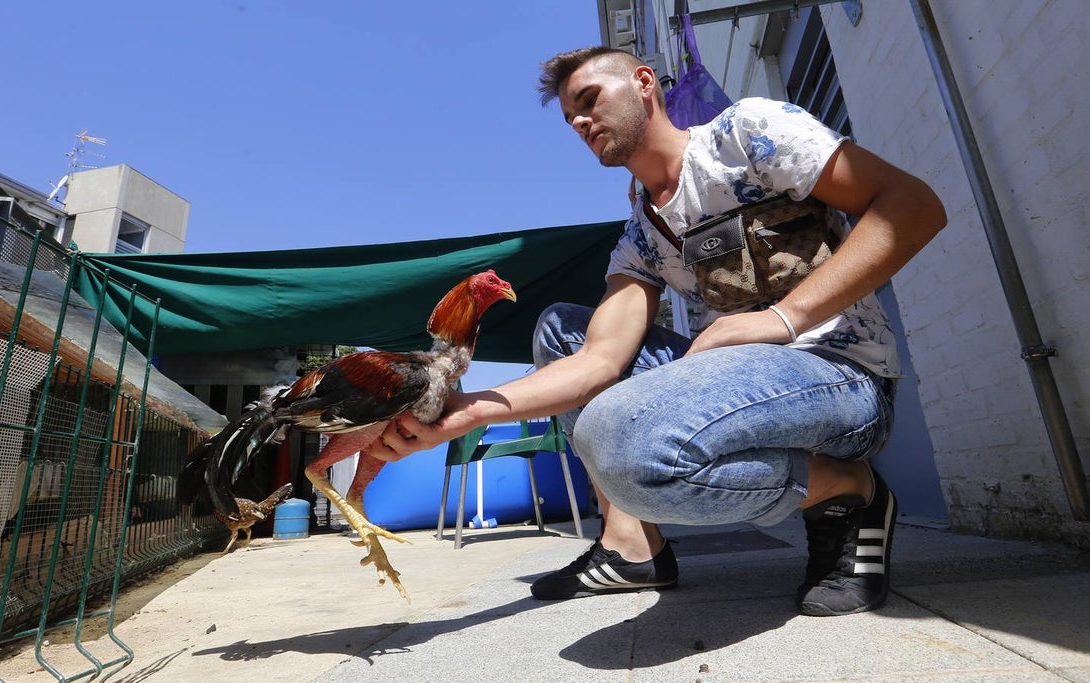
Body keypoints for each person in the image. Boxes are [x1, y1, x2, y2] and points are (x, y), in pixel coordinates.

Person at [366, 46, 946, 617]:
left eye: (590, 100)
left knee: (630, 449)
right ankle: (632, 547)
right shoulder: (642, 235)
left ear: (644, 82)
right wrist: (468, 410)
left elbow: (913, 206)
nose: (580, 121)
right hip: (735, 387)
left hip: (840, 378)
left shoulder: (745, 136)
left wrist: (778, 319)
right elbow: (596, 361)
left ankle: (848, 487)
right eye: (570, 117)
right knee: (563, 329)